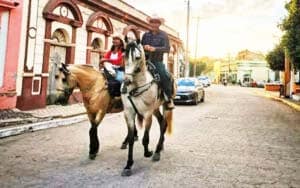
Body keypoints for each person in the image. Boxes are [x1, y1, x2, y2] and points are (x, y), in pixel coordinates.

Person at [141, 14, 174, 109]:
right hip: (144, 60)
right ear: (150, 23)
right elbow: (140, 46)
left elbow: (167, 48)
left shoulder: (164, 35)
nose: (153, 24)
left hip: (157, 61)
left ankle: (169, 99)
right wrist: (144, 47)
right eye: (152, 22)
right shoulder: (145, 35)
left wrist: (154, 49)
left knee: (165, 76)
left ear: (159, 24)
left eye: (156, 22)